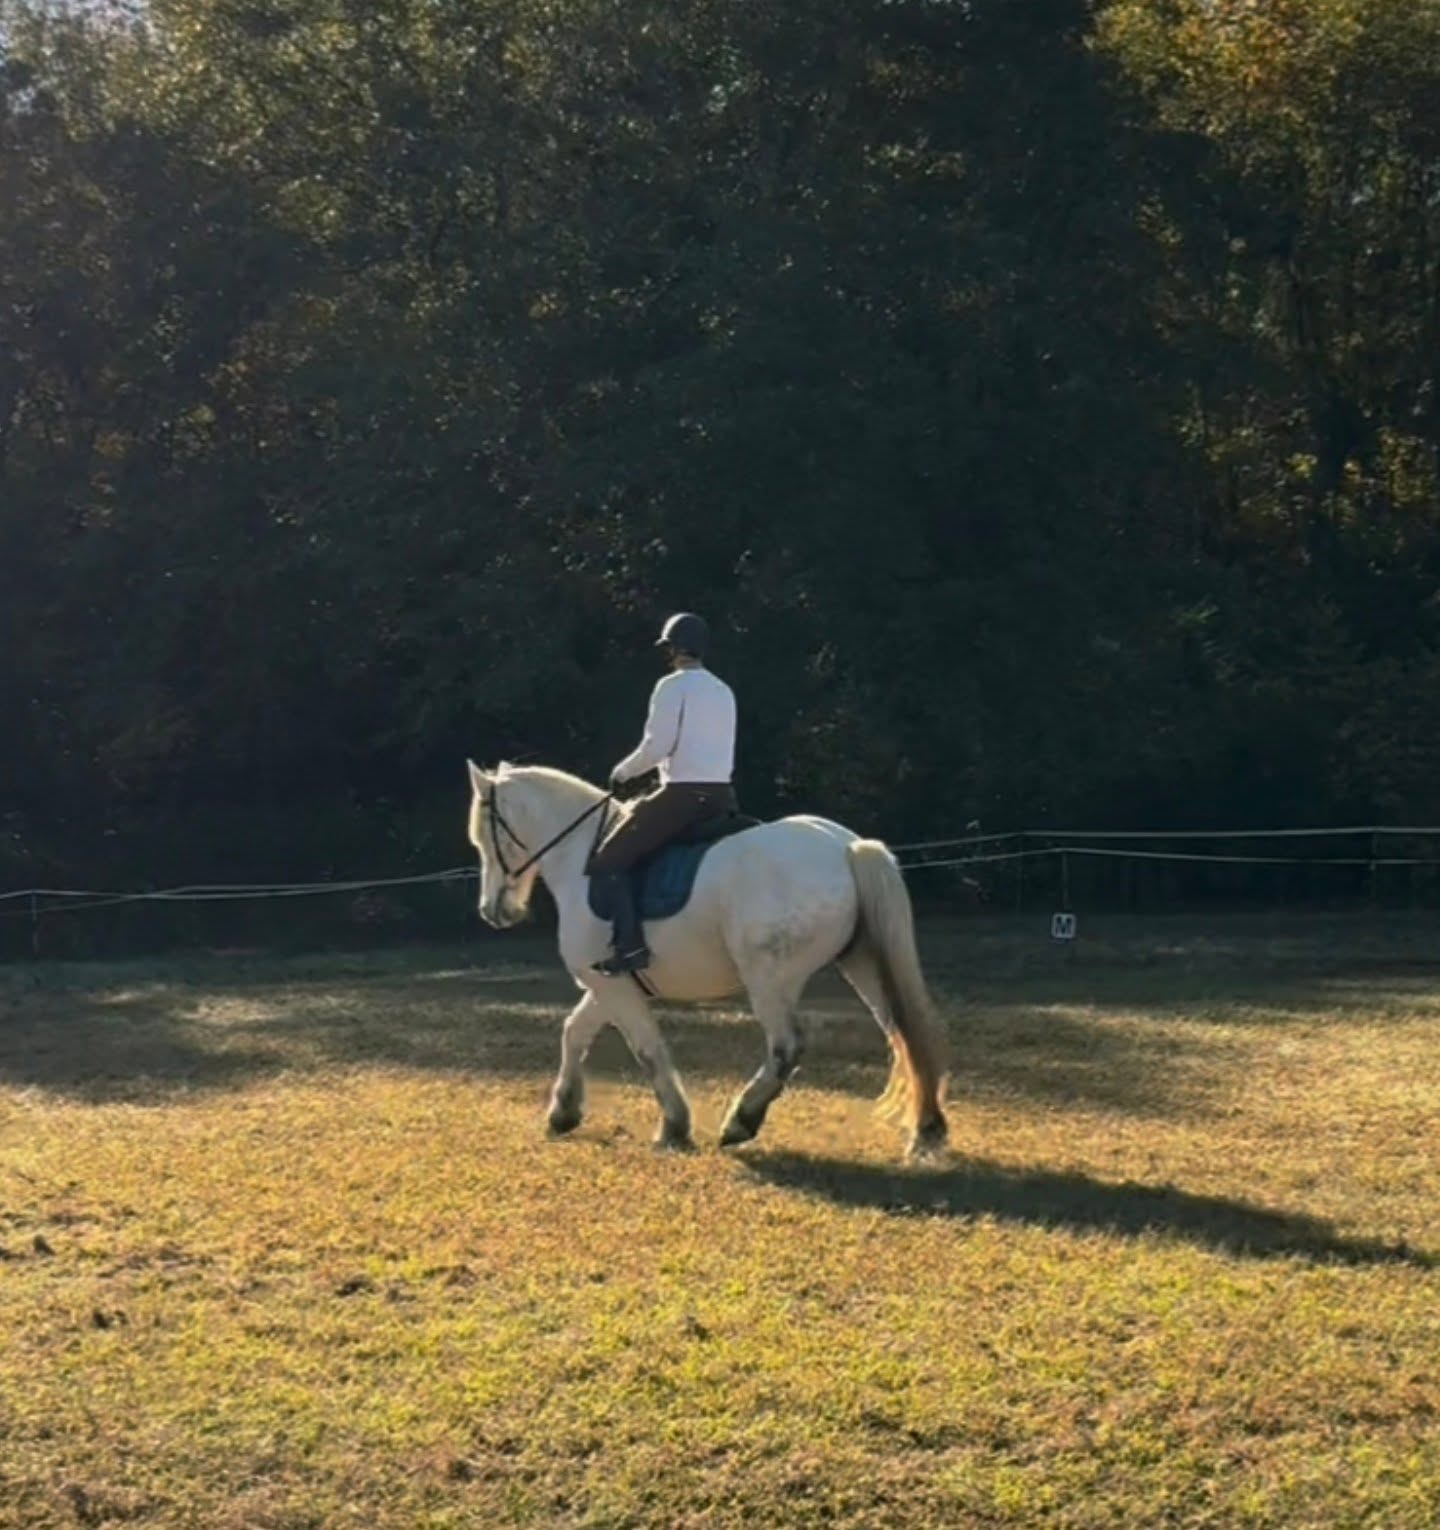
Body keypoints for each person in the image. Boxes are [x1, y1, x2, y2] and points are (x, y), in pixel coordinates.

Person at [587, 612, 739, 975]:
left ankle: (631, 948)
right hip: (723, 797)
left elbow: (657, 746)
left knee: (609, 860)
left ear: (673, 648)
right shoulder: (723, 690)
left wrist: (622, 773)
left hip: (682, 798)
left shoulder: (671, 686)